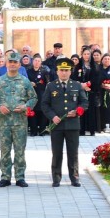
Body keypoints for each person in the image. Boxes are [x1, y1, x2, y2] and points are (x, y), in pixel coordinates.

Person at [0, 51, 36, 188]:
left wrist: (25, 106)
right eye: (11, 62)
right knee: (5, 150)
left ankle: (20, 177)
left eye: (15, 62)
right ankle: (5, 177)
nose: (13, 64)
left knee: (20, 150)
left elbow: (34, 98)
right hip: (4, 122)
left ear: (19, 64)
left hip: (20, 121)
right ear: (6, 64)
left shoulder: (25, 81)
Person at [40, 58, 85, 187]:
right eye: (61, 70)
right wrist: (52, 116)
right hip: (57, 125)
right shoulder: (51, 86)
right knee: (57, 152)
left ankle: (74, 177)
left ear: (70, 72)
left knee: (73, 152)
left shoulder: (77, 85)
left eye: (66, 70)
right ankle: (56, 177)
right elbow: (45, 104)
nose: (64, 73)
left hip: (72, 125)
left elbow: (84, 102)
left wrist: (77, 111)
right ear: (57, 71)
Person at [27, 55, 51, 136]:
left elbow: (47, 84)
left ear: (41, 62)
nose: (37, 62)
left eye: (38, 61)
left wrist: (36, 84)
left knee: (42, 112)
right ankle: (33, 130)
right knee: (32, 111)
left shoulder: (45, 72)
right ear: (32, 61)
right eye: (35, 60)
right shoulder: (28, 71)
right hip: (31, 94)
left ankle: (42, 130)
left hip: (41, 94)